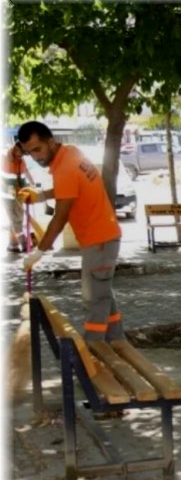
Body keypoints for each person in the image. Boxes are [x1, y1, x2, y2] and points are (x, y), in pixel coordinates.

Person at [16, 121, 125, 343]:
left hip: (100, 239)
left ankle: (91, 357)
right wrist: (41, 196)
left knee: (94, 299)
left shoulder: (65, 168)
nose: (35, 157)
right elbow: (70, 188)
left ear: (50, 141)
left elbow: (61, 215)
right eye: (29, 153)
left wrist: (39, 252)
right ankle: (117, 343)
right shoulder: (70, 153)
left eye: (38, 149)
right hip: (101, 236)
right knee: (103, 294)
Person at [4, 142, 35, 253]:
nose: (20, 155)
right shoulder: (3, 158)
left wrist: (32, 183)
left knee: (17, 219)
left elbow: (25, 171)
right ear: (15, 148)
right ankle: (24, 243)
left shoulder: (21, 160)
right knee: (16, 220)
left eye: (22, 154)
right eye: (19, 153)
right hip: (7, 196)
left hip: (20, 194)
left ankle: (12, 245)